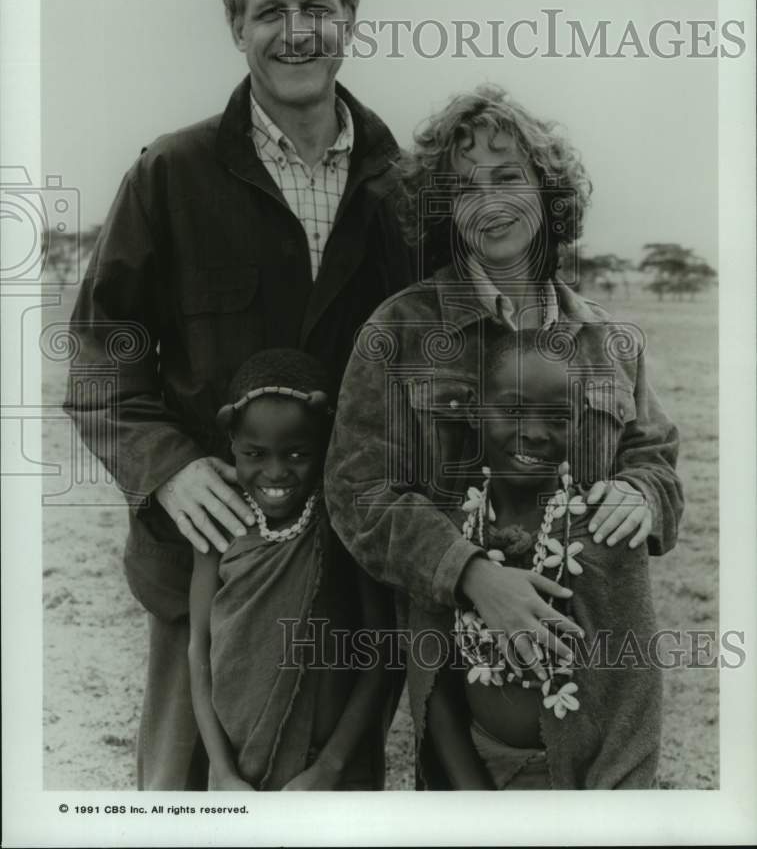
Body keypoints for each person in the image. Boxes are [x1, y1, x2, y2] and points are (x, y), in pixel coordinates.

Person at [63, 0, 412, 790]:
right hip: (200, 572)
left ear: (351, 18)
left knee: (333, 794)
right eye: (270, 12)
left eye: (316, 8)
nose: (295, 32)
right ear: (237, 28)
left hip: (348, 572)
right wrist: (170, 468)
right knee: (185, 794)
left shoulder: (403, 185)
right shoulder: (169, 174)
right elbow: (103, 359)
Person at [324, 83, 684, 788]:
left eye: (508, 176)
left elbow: (657, 459)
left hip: (609, 708)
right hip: (471, 714)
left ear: (548, 192)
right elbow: (356, 491)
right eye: (462, 188)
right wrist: (470, 574)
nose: (489, 202)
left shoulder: (607, 340)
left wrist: (644, 492)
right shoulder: (399, 331)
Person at [419, 336, 664, 789]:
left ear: (579, 423)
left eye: (556, 417)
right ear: (474, 411)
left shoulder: (602, 534)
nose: (534, 431)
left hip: (581, 786)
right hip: (474, 772)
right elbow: (432, 682)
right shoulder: (452, 534)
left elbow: (635, 700)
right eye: (512, 411)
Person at [188, 348, 392, 790]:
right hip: (236, 770)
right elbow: (198, 652)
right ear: (232, 445)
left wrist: (331, 767)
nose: (275, 472)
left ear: (325, 445)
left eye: (297, 454)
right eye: (255, 454)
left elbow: (382, 652)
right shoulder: (221, 523)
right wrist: (222, 773)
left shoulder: (343, 525)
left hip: (331, 775)